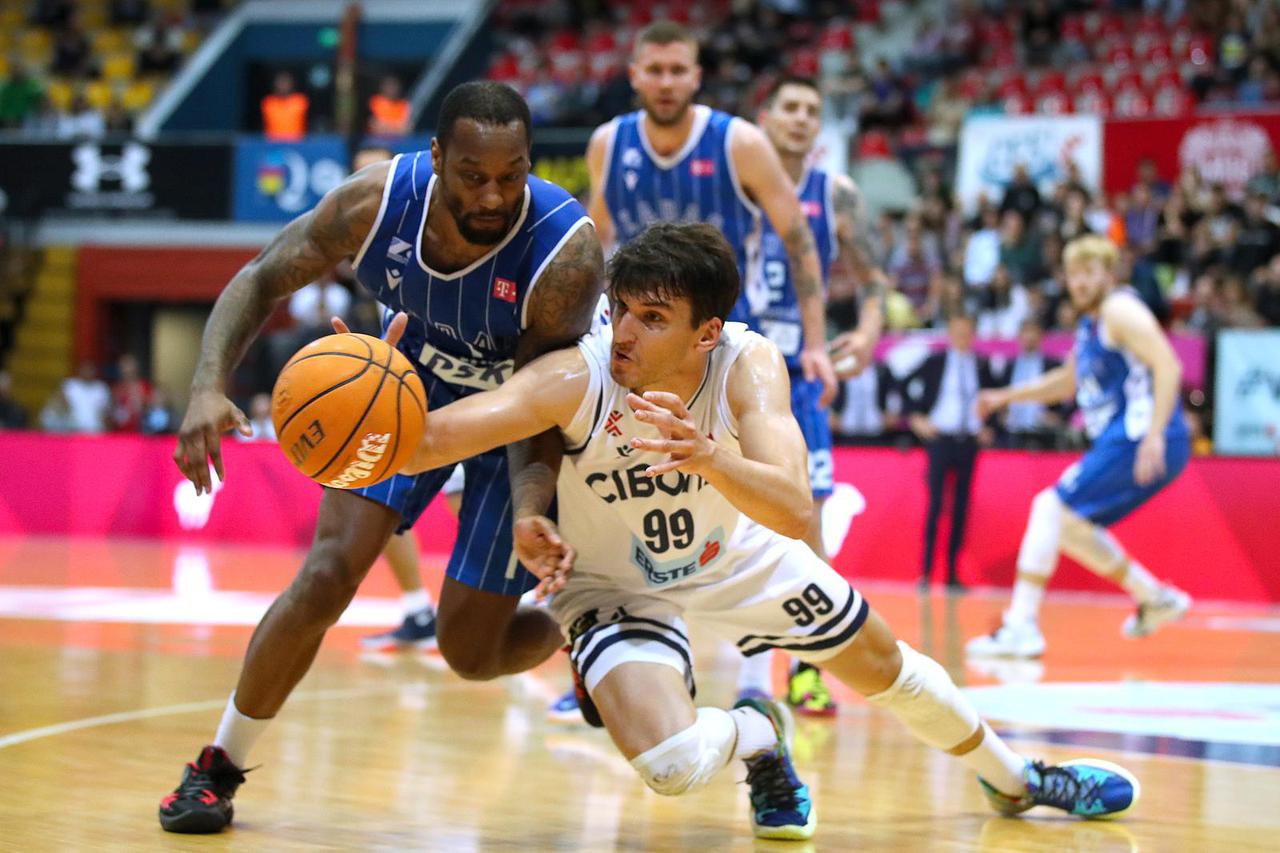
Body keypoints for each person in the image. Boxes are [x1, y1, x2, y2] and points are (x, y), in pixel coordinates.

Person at [400, 222, 1141, 841]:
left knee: (892, 671)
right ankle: (759, 737)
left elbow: (793, 509)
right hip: (613, 582)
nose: (623, 333)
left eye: (652, 318)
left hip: (739, 557)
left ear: (707, 333)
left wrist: (709, 455)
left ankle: (1018, 780)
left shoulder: (747, 363)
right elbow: (431, 439)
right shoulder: (579, 374)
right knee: (670, 766)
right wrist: (372, 386)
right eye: (620, 309)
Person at [159, 81, 604, 833]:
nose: (493, 195)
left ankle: (587, 621)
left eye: (512, 175)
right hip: (405, 391)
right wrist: (206, 384)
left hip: (515, 415)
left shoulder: (565, 254)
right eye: (473, 175)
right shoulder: (376, 203)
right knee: (327, 574)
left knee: (470, 651)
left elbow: (539, 408)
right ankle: (218, 766)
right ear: (436, 158)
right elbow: (263, 274)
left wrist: (532, 507)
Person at [732, 75, 890, 716]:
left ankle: (807, 668)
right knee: (740, 529)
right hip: (735, 375)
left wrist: (870, 332)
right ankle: (746, 680)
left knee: (807, 529)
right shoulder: (733, 184)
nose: (801, 119)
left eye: (812, 111)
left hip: (800, 379)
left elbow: (875, 280)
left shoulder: (835, 193)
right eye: (790, 108)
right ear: (764, 117)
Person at [967, 236, 1192, 658]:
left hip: (1139, 434)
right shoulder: (1091, 325)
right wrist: (1004, 397)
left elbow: (1168, 364)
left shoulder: (1119, 309)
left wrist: (1156, 433)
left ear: (1109, 275)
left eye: (1090, 272)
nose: (1080, 282)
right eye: (1073, 273)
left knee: (1048, 507)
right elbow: (1066, 382)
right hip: (1124, 437)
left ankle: (1020, 626)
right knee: (1068, 527)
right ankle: (1154, 597)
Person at [904, 313, 1000, 589]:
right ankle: (926, 571)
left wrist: (990, 427)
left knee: (961, 507)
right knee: (935, 505)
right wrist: (915, 418)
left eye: (967, 332)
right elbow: (903, 385)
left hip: (968, 441)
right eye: (957, 331)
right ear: (949, 333)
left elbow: (995, 399)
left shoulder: (981, 365)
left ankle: (952, 574)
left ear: (973, 334)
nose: (962, 337)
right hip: (940, 440)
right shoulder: (934, 362)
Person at [261, 71, 308, 141]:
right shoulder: (268, 102)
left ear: (291, 84)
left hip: (297, 143)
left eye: (286, 83)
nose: (283, 86)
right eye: (280, 83)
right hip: (272, 142)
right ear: (275, 85)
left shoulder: (300, 101)